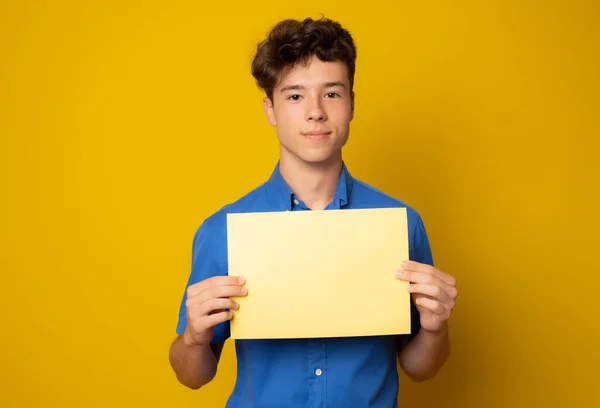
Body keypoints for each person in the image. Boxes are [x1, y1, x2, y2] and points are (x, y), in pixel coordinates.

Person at [169, 16, 458, 407]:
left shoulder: (401, 223)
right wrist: (193, 337)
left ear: (352, 104)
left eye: (332, 94)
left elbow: (420, 367)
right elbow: (192, 376)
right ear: (270, 109)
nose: (315, 112)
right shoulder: (223, 230)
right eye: (294, 96)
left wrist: (436, 329)